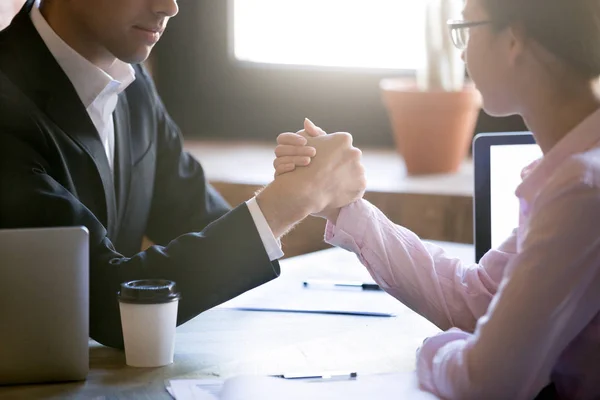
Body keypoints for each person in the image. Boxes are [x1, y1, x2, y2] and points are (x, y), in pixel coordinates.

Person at [275, 0, 600, 398]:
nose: (461, 54)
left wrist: (432, 349)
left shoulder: (581, 189)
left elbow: (484, 382)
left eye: (466, 30)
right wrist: (343, 207)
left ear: (513, 39)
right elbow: (477, 297)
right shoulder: (573, 173)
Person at [0, 0, 366, 349]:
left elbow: (197, 219)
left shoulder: (132, 84)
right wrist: (284, 205)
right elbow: (108, 305)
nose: (169, 7)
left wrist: (304, 182)